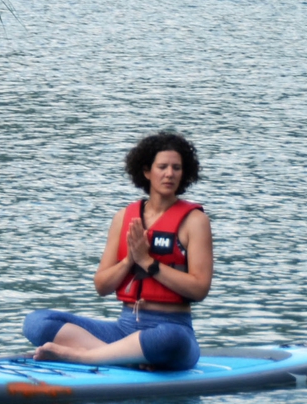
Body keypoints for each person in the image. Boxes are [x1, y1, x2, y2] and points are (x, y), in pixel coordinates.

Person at [23, 132, 212, 370]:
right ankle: (128, 358)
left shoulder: (195, 221)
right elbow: (102, 286)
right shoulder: (124, 218)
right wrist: (129, 261)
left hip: (172, 327)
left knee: (168, 340)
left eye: (176, 168)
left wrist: (148, 263)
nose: (169, 174)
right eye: (162, 167)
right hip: (123, 329)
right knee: (37, 322)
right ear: (146, 171)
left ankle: (84, 357)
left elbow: (199, 289)